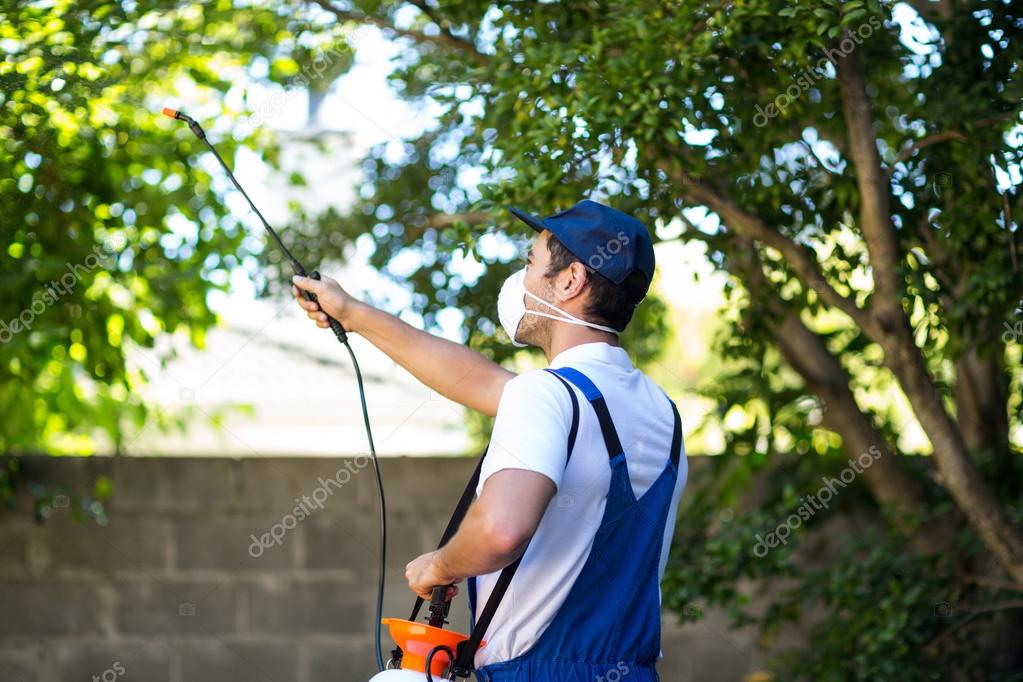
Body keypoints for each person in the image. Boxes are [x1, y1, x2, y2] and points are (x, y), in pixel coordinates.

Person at [292, 199, 687, 681]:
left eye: (530, 263)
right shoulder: (659, 413)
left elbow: (502, 529)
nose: (520, 280)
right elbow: (480, 383)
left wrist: (440, 565)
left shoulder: (547, 397)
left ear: (570, 281)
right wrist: (352, 313)